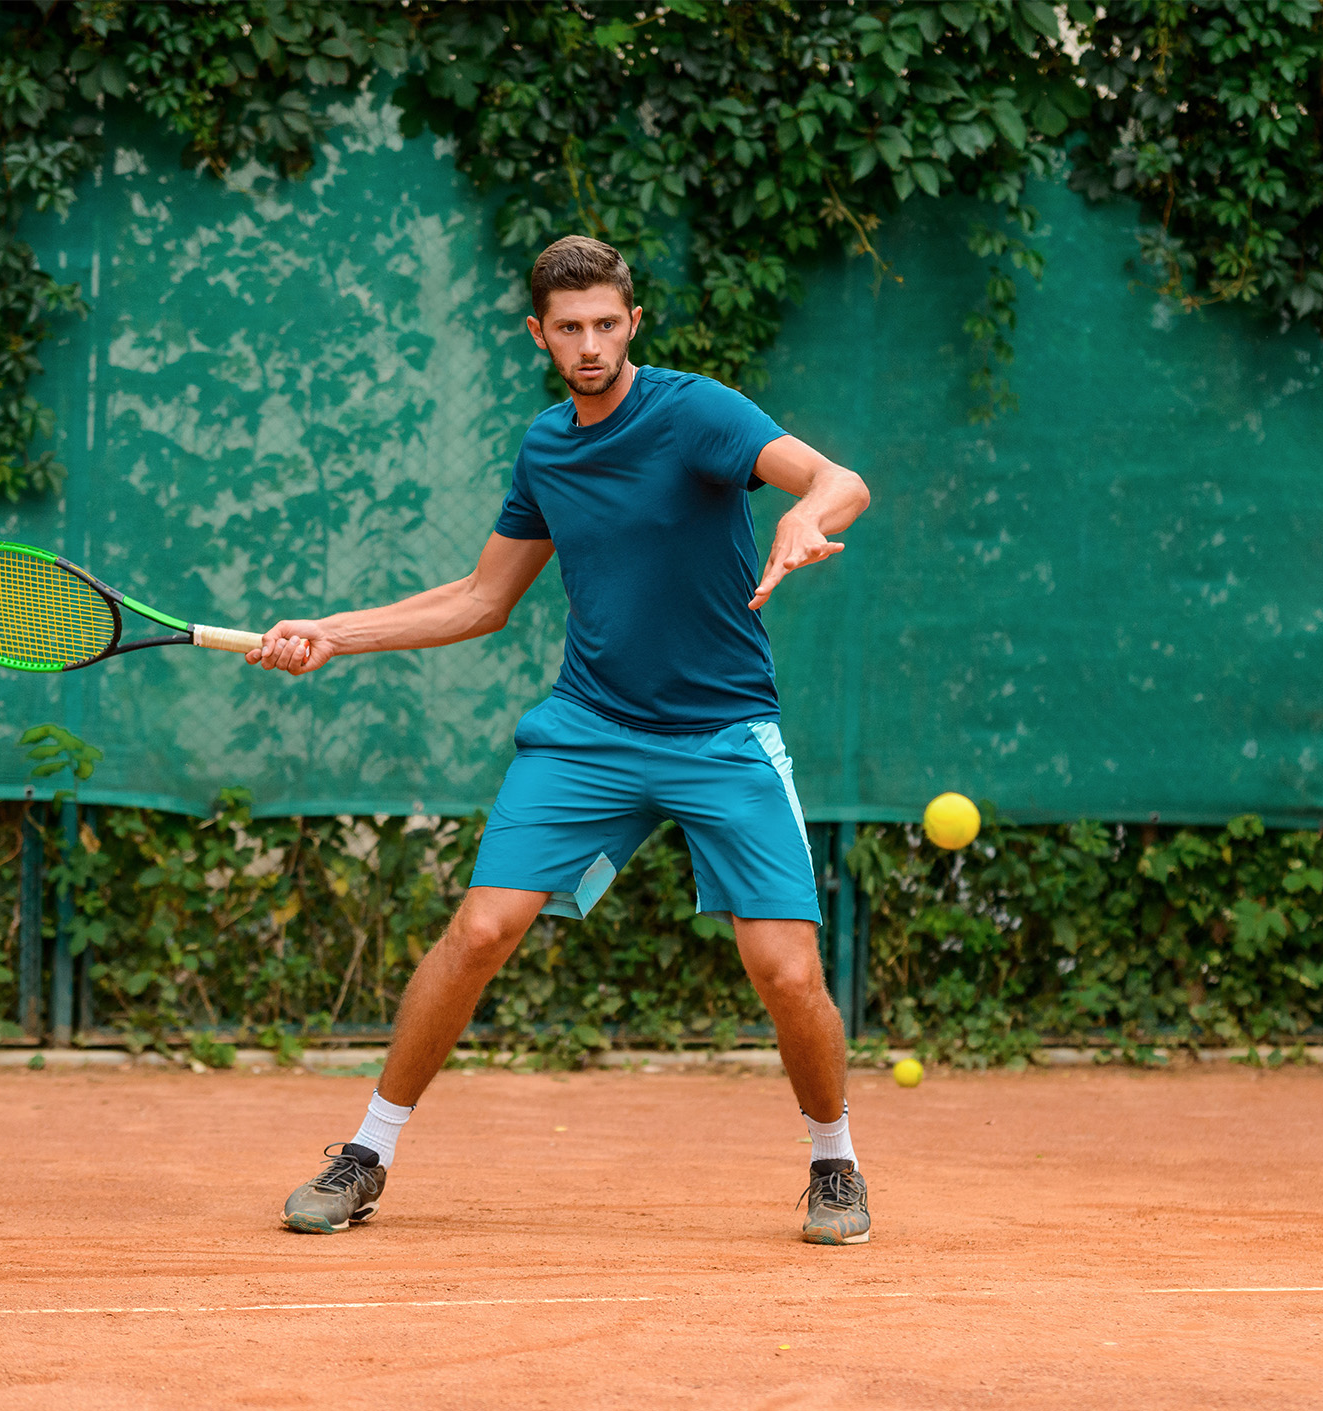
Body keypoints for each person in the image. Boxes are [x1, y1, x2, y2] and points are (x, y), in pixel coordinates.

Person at [250, 235, 872, 1245]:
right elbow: (482, 597)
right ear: (539, 334)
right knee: (482, 929)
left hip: (720, 733)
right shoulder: (546, 447)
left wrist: (807, 516)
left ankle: (832, 1160)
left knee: (785, 971)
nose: (589, 345)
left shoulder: (696, 413)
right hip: (588, 730)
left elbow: (835, 477)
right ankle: (367, 1150)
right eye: (568, 329)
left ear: (632, 321)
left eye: (605, 324)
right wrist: (333, 633)